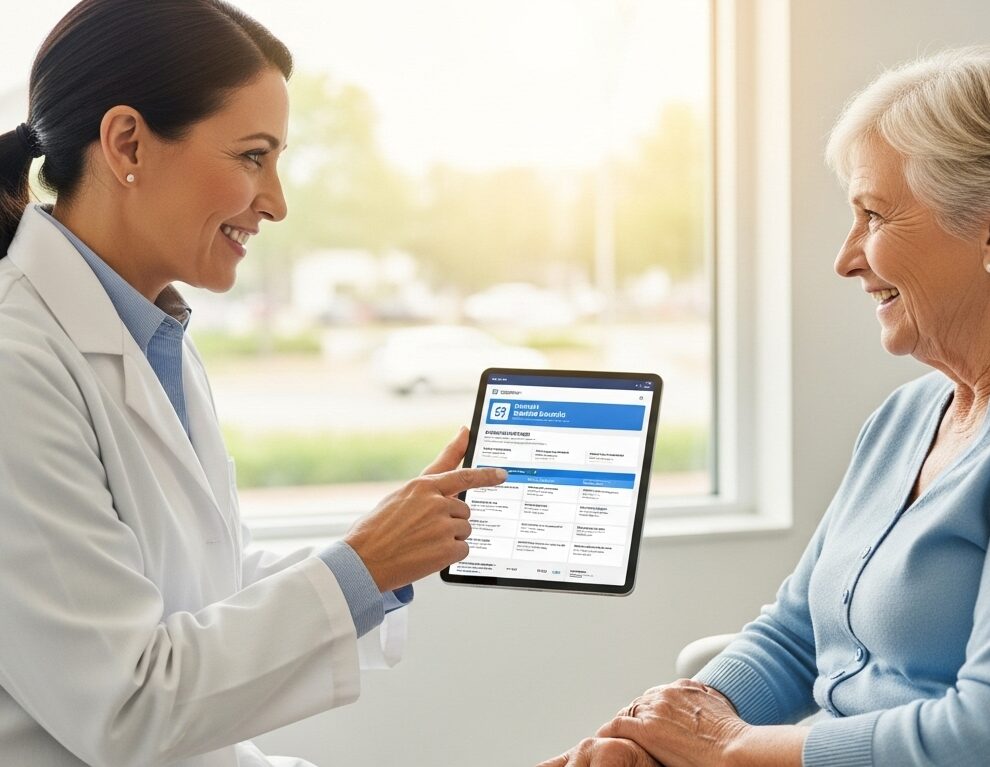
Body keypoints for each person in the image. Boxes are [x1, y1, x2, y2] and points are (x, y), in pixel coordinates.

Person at [0, 1, 505, 765]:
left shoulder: (151, 336)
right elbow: (127, 706)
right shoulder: (18, 362)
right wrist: (364, 562)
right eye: (252, 157)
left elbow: (209, 590)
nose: (277, 201)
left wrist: (394, 546)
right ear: (128, 142)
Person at [537, 45, 990, 767]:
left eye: (874, 215)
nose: (846, 258)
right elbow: (794, 635)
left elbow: (977, 735)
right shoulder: (906, 417)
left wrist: (732, 746)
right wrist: (647, 737)